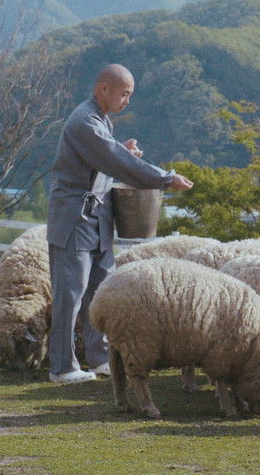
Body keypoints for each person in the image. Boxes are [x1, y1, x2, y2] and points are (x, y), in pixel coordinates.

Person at [46, 63, 194, 383]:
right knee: (69, 294)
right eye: (124, 93)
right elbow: (114, 160)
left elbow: (107, 157)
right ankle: (62, 367)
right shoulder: (84, 121)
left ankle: (99, 359)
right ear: (104, 89)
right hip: (74, 217)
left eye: (130, 95)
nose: (127, 100)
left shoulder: (101, 119)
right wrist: (165, 178)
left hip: (97, 217)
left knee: (100, 292)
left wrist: (120, 149)